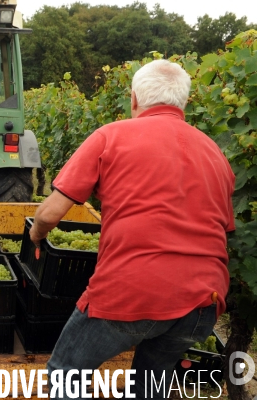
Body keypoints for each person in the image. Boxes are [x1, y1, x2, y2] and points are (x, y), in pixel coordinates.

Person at [29, 59, 235, 399]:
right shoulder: (216, 154)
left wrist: (37, 235)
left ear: (135, 99)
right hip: (203, 303)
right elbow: (223, 229)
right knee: (149, 386)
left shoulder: (111, 136)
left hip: (131, 293)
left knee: (65, 375)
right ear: (183, 102)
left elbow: (50, 214)